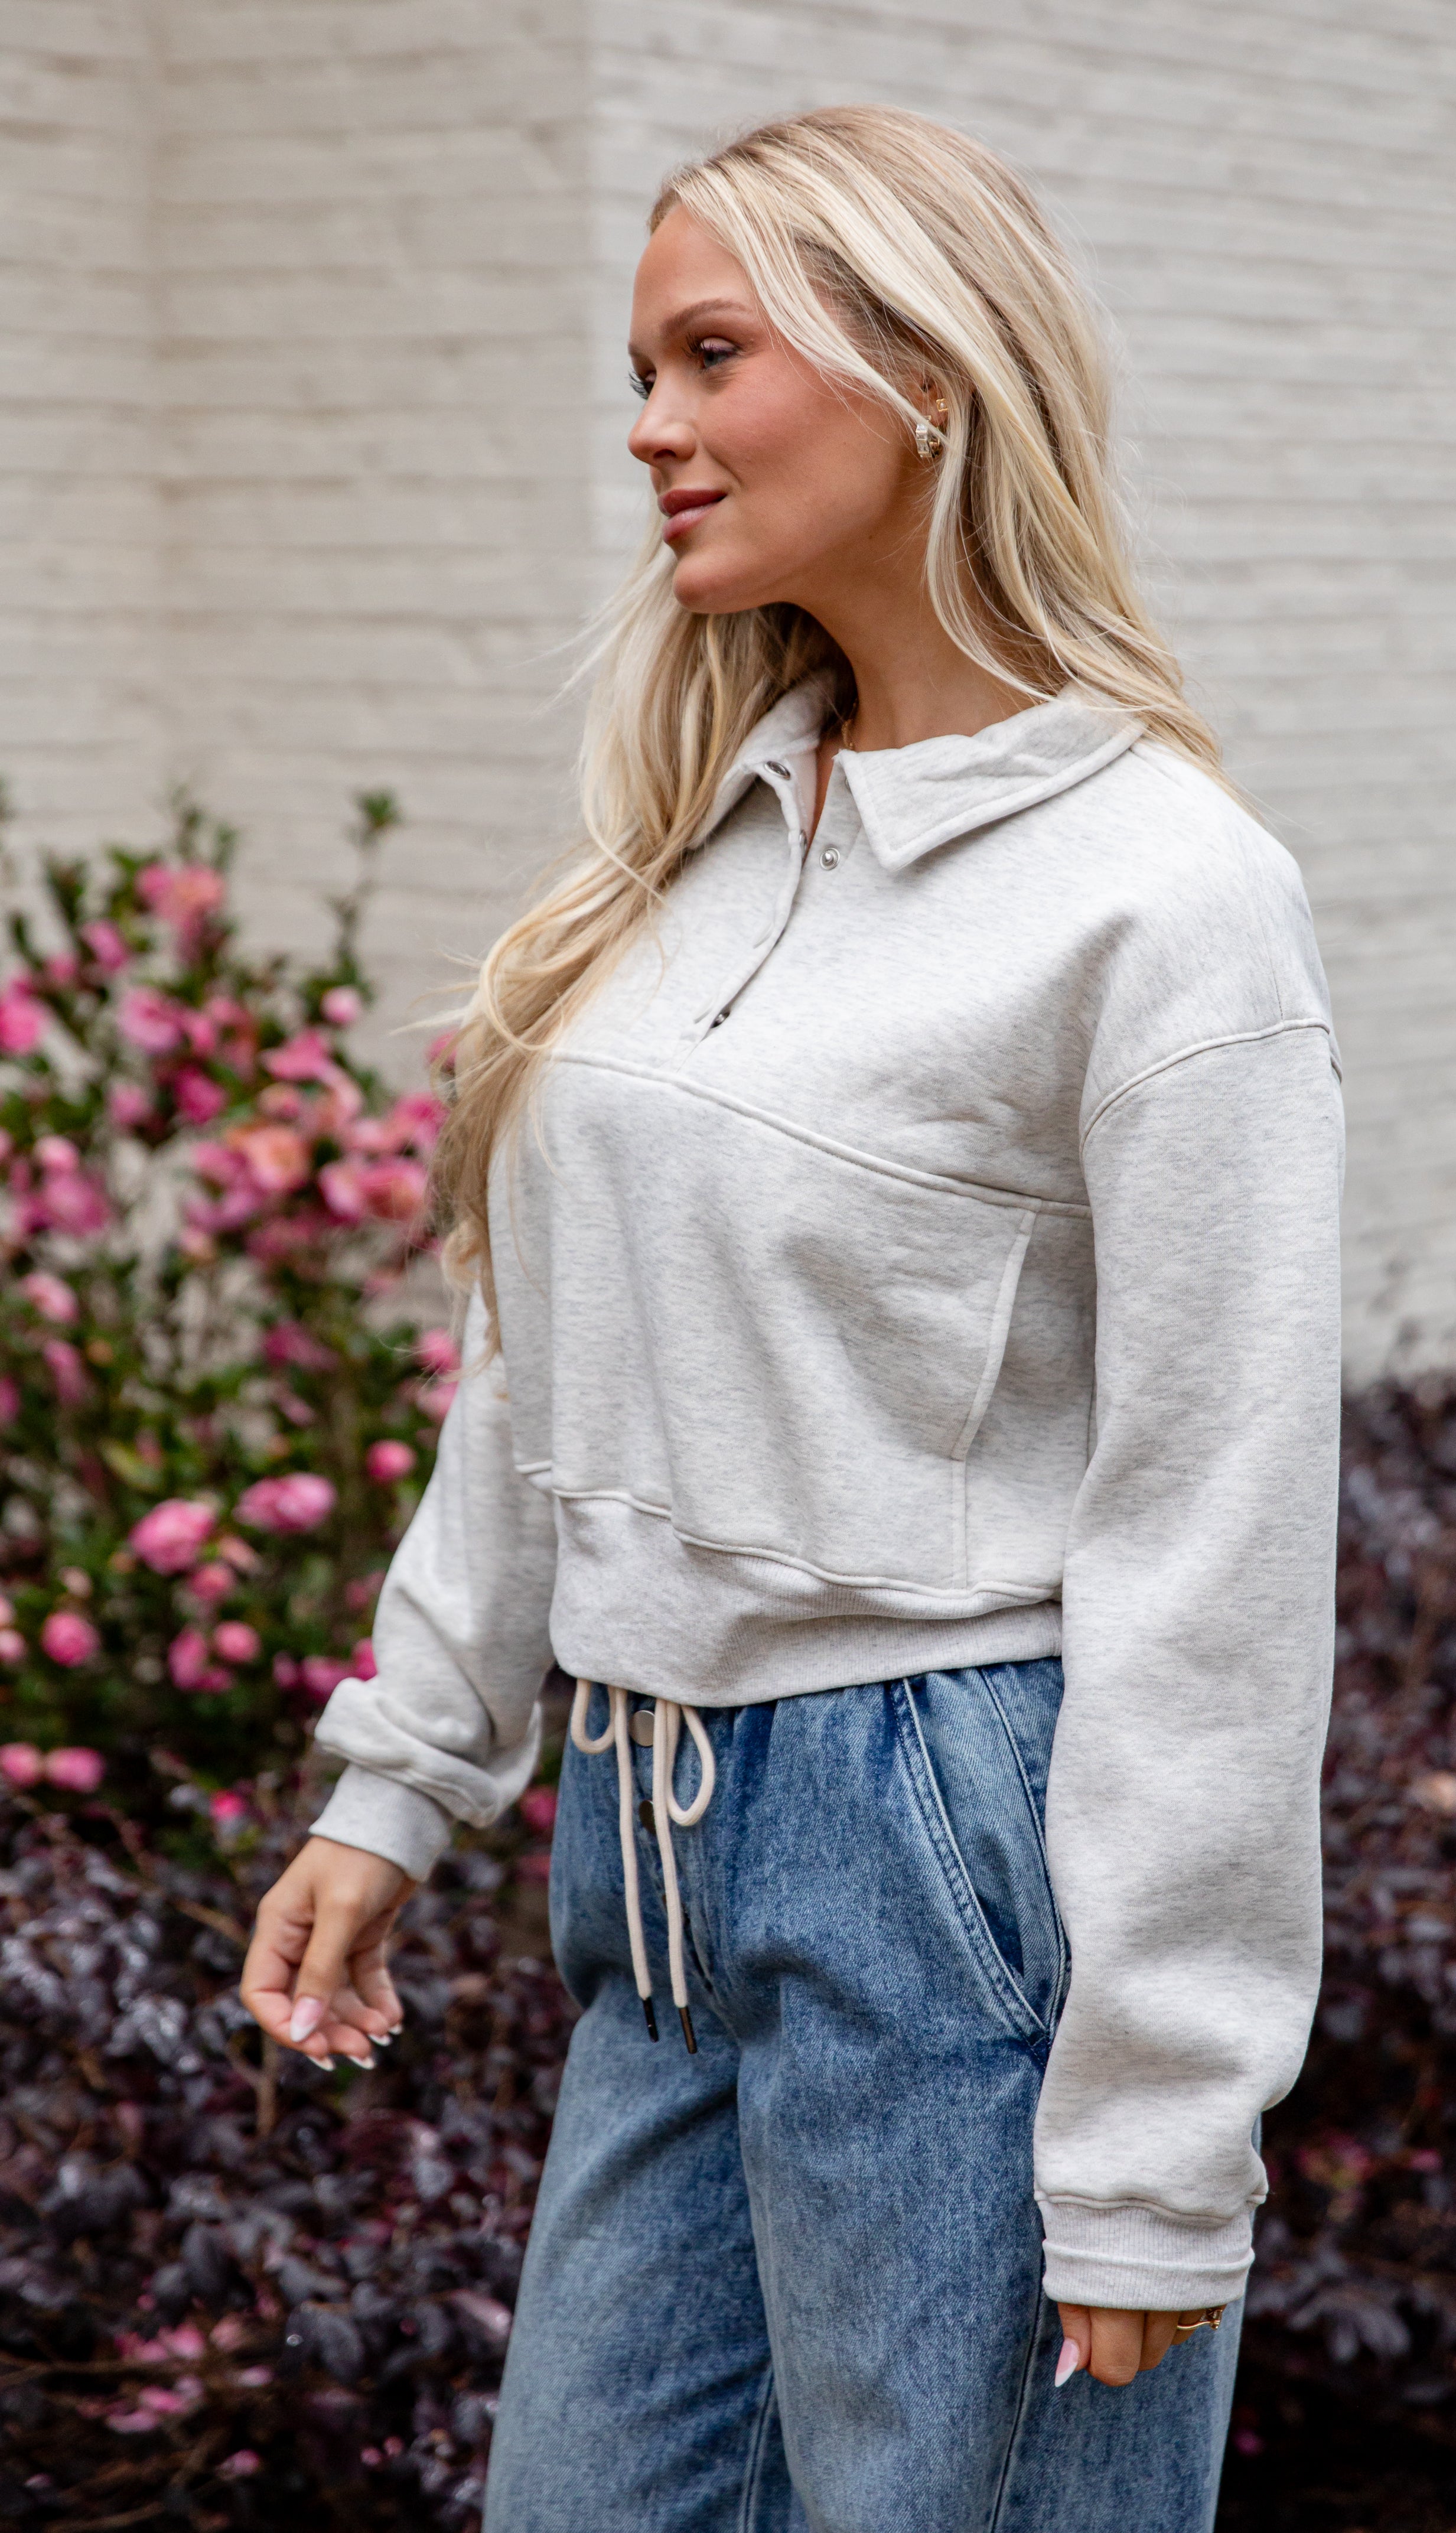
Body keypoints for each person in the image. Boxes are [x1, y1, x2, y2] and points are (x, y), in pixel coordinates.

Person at [239, 103, 1343, 2533]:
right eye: (645, 362)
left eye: (709, 353)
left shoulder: (1162, 898)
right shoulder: (703, 839)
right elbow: (545, 1363)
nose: (649, 422)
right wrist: (406, 1771)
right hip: (651, 1846)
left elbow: (1218, 1525)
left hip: (940, 1848)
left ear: (925, 373)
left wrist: (1157, 2121)